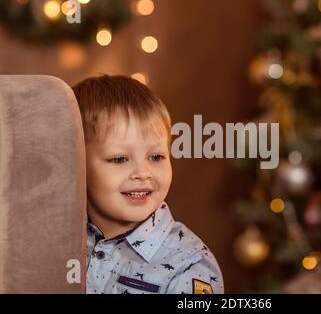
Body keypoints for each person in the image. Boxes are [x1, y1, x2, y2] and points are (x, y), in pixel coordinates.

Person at [72, 75, 224, 294]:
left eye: (156, 157)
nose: (143, 173)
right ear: (76, 163)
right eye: (119, 159)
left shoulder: (189, 266)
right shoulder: (56, 242)